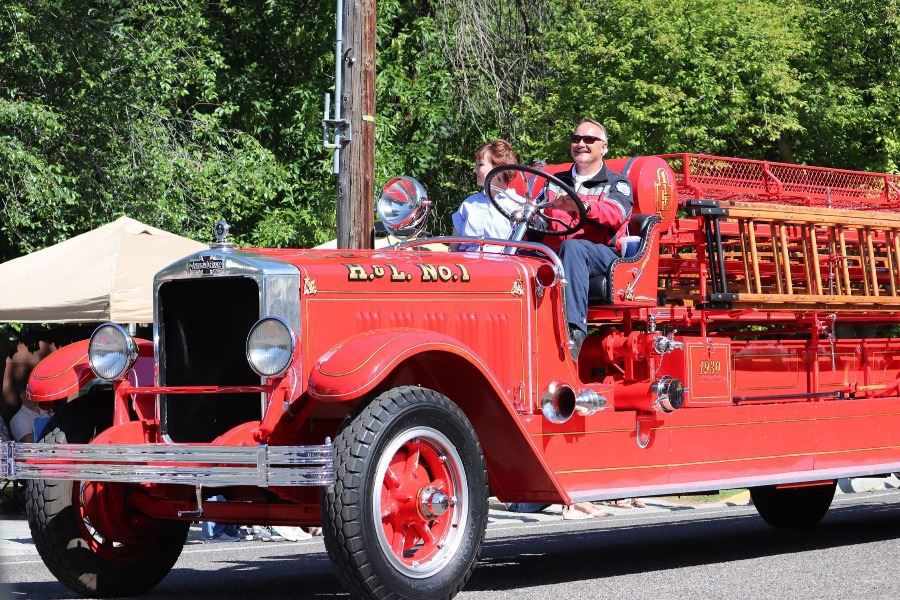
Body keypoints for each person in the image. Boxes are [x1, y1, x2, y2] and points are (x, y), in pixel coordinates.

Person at [537, 119, 633, 360]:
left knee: (573, 247)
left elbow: (616, 214)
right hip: (558, 254)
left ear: (604, 147)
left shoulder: (617, 183)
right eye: (576, 139)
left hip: (603, 254)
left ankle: (574, 332)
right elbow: (538, 214)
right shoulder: (554, 182)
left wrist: (583, 207)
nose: (581, 144)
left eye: (589, 139)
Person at [451, 139, 522, 252]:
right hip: (466, 265)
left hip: (500, 266)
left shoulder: (519, 206)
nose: (475, 170)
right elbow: (453, 248)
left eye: (480, 165)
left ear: (499, 167)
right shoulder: (468, 204)